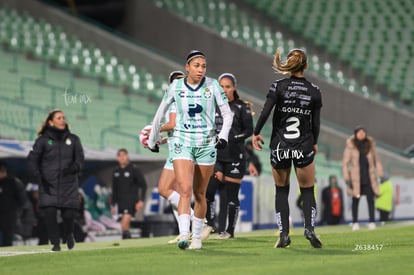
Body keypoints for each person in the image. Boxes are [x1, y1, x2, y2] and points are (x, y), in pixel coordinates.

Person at [147, 50, 233, 250]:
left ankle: (197, 238)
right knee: (184, 190)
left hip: (206, 144)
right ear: (187, 67)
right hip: (182, 142)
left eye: (204, 66)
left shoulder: (213, 86)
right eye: (197, 65)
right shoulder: (176, 86)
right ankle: (184, 235)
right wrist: (154, 138)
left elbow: (227, 115)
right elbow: (160, 112)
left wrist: (223, 136)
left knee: (199, 194)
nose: (201, 69)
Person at [252, 48, 323, 248]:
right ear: (306, 66)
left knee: (281, 190)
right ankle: (309, 228)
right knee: (308, 191)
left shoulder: (278, 86)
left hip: (281, 145)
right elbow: (316, 123)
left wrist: (256, 132)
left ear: (290, 66)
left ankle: (284, 234)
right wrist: (314, 142)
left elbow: (266, 112)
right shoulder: (314, 91)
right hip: (303, 144)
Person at [203, 73, 253, 240]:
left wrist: (234, 138)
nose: (224, 90)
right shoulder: (212, 106)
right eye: (222, 86)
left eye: (228, 87)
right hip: (216, 156)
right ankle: (211, 223)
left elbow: (249, 131)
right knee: (209, 191)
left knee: (231, 195)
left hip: (235, 156)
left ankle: (229, 231)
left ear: (234, 88)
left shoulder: (242, 107)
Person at [28, 109, 84, 251]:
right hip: (49, 184)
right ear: (51, 122)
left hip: (68, 184)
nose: (62, 120)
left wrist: (74, 168)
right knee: (50, 214)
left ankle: (69, 234)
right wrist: (38, 175)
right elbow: (33, 159)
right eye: (59, 118)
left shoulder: (74, 139)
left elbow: (80, 159)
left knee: (69, 215)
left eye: (63, 117)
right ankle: (56, 243)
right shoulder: (42, 141)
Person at [342, 125, 384, 231]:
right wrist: (347, 178)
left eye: (363, 132)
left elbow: (376, 160)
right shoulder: (350, 145)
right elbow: (345, 163)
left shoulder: (370, 145)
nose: (361, 134)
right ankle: (355, 222)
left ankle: (372, 221)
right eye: (359, 132)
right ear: (355, 134)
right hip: (356, 178)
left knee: (371, 200)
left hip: (369, 177)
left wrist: (380, 173)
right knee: (355, 200)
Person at [110, 148, 147, 239]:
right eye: (120, 155)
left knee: (125, 222)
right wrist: (112, 205)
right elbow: (114, 190)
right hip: (120, 203)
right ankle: (128, 240)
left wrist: (141, 200)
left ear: (127, 157)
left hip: (131, 202)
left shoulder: (134, 169)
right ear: (117, 158)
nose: (122, 157)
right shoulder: (116, 172)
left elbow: (144, 185)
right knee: (123, 226)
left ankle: (126, 240)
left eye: (124, 155)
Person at [0, 161, 27, 247]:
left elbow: (22, 199)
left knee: (8, 236)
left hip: (9, 214)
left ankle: (7, 253)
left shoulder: (13, 182)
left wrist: (16, 211)